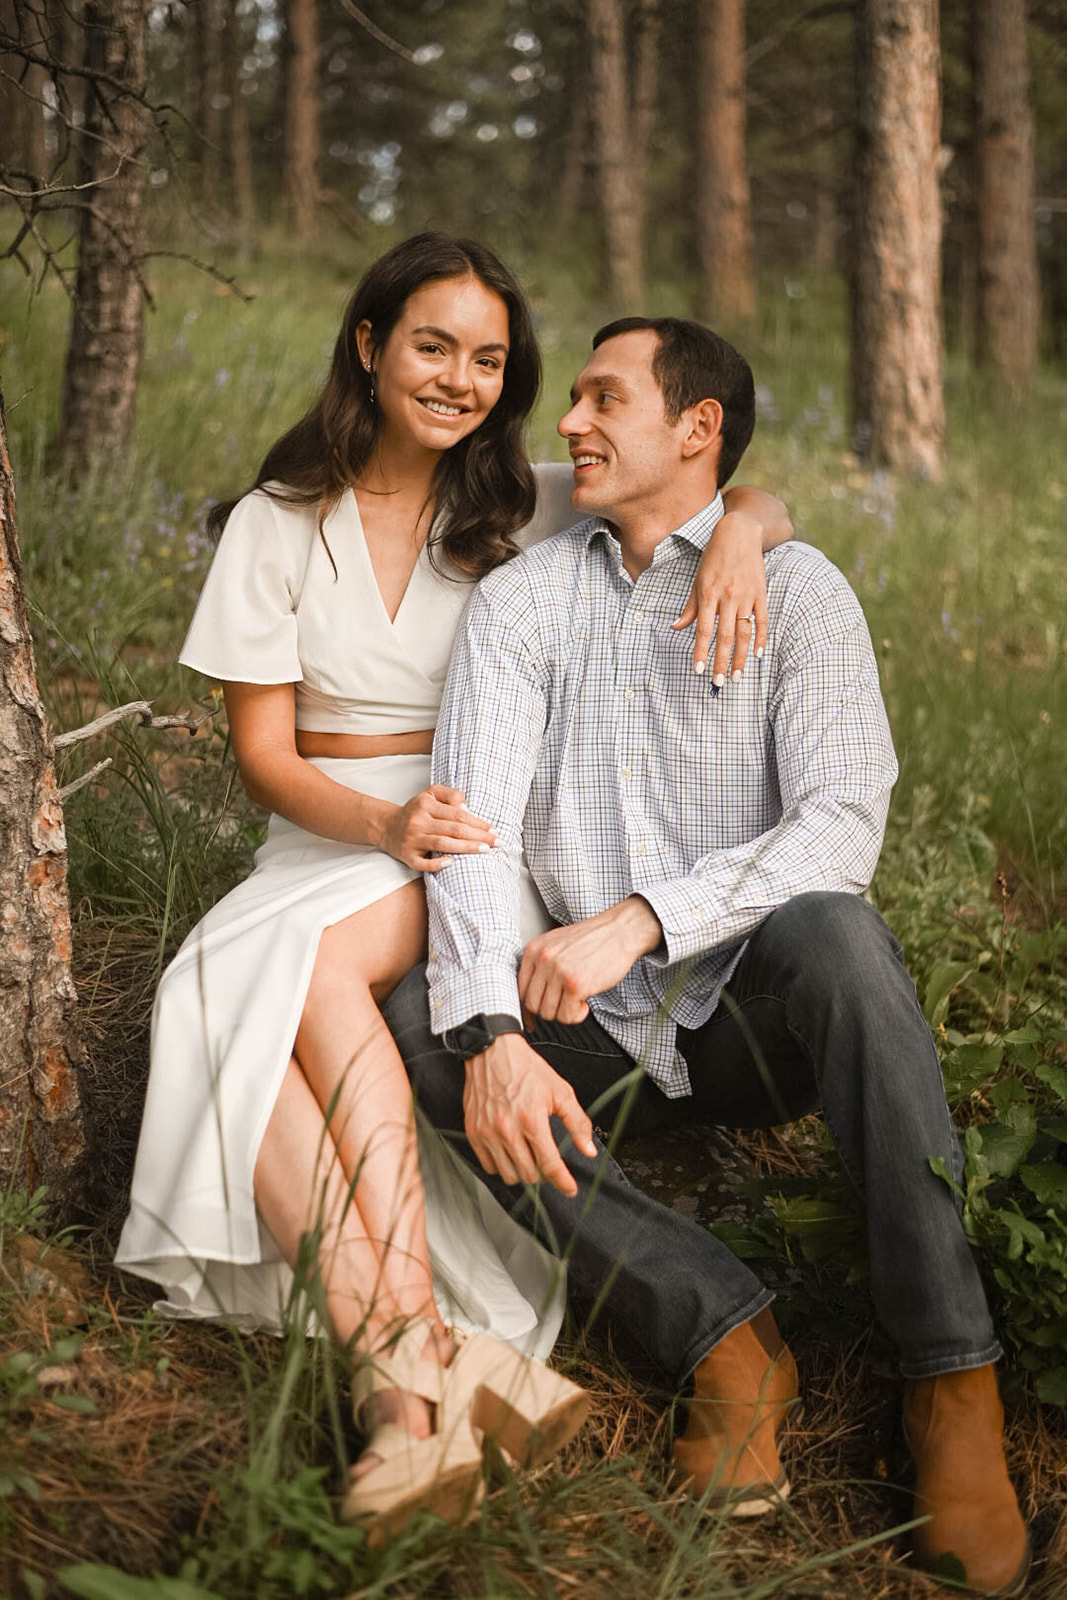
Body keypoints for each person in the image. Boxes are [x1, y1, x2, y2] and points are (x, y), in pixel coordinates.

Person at [114, 238, 794, 1546]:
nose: (460, 379)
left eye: (488, 358)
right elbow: (262, 756)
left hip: (480, 856)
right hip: (336, 836)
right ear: (367, 344)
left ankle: (400, 1377)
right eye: (432, 346)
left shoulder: (529, 503)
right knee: (213, 990)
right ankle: (422, 1365)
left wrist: (747, 540)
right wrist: (378, 818)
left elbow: (732, 493)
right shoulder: (272, 522)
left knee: (276, 978)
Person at [386, 315, 1031, 1596]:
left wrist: (643, 914)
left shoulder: (797, 590)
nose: (567, 421)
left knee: (836, 933)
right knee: (421, 1013)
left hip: (751, 1009)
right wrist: (494, 1042)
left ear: (698, 431)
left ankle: (951, 1377)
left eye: (601, 398)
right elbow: (468, 832)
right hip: (581, 1019)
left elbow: (842, 824)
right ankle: (723, 1335)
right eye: (566, 398)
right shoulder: (524, 600)